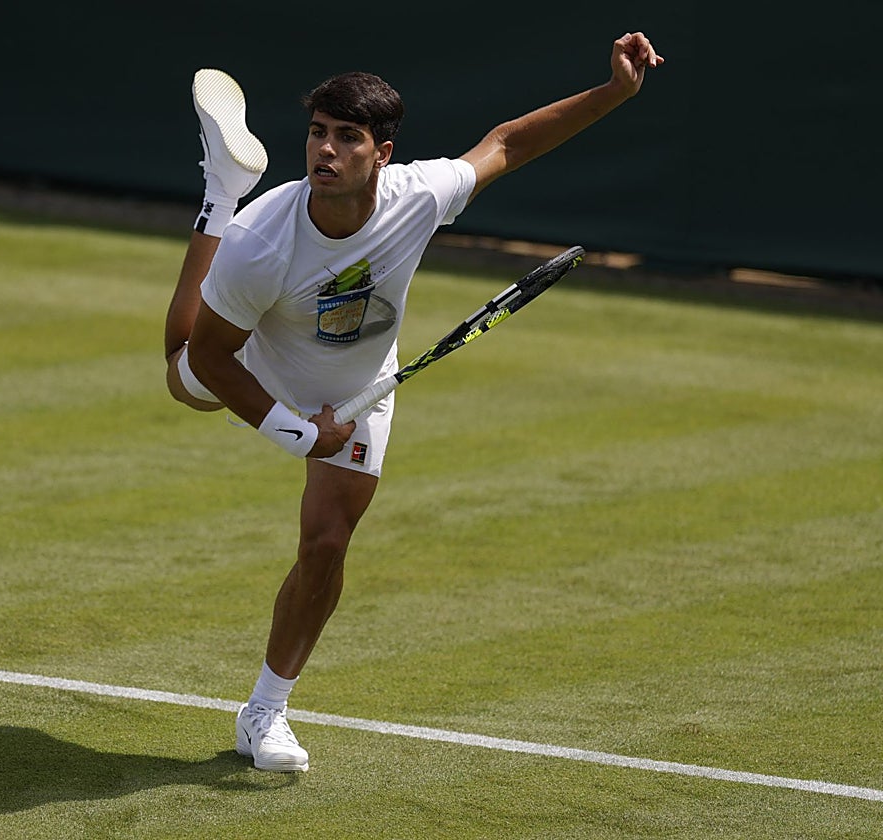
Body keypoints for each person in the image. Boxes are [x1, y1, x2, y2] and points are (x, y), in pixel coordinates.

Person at [164, 33, 664, 772]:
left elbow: (509, 143)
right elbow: (210, 353)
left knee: (328, 541)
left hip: (358, 381)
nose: (324, 150)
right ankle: (220, 191)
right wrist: (295, 432)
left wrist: (616, 92)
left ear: (383, 153)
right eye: (316, 133)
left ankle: (265, 712)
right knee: (182, 375)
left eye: (346, 137)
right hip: (255, 357)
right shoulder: (262, 243)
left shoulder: (421, 196)